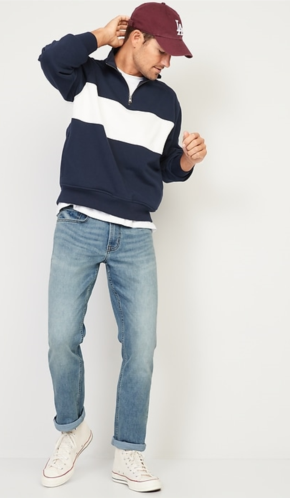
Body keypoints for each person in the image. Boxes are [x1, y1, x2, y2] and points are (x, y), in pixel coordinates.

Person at [38, 2, 207, 493]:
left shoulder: (167, 100)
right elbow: (50, 59)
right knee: (62, 338)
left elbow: (166, 168)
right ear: (135, 38)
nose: (167, 62)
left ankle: (129, 452)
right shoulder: (87, 77)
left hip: (135, 234)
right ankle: (72, 431)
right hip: (78, 223)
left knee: (141, 348)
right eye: (162, 50)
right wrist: (97, 34)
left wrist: (187, 161)